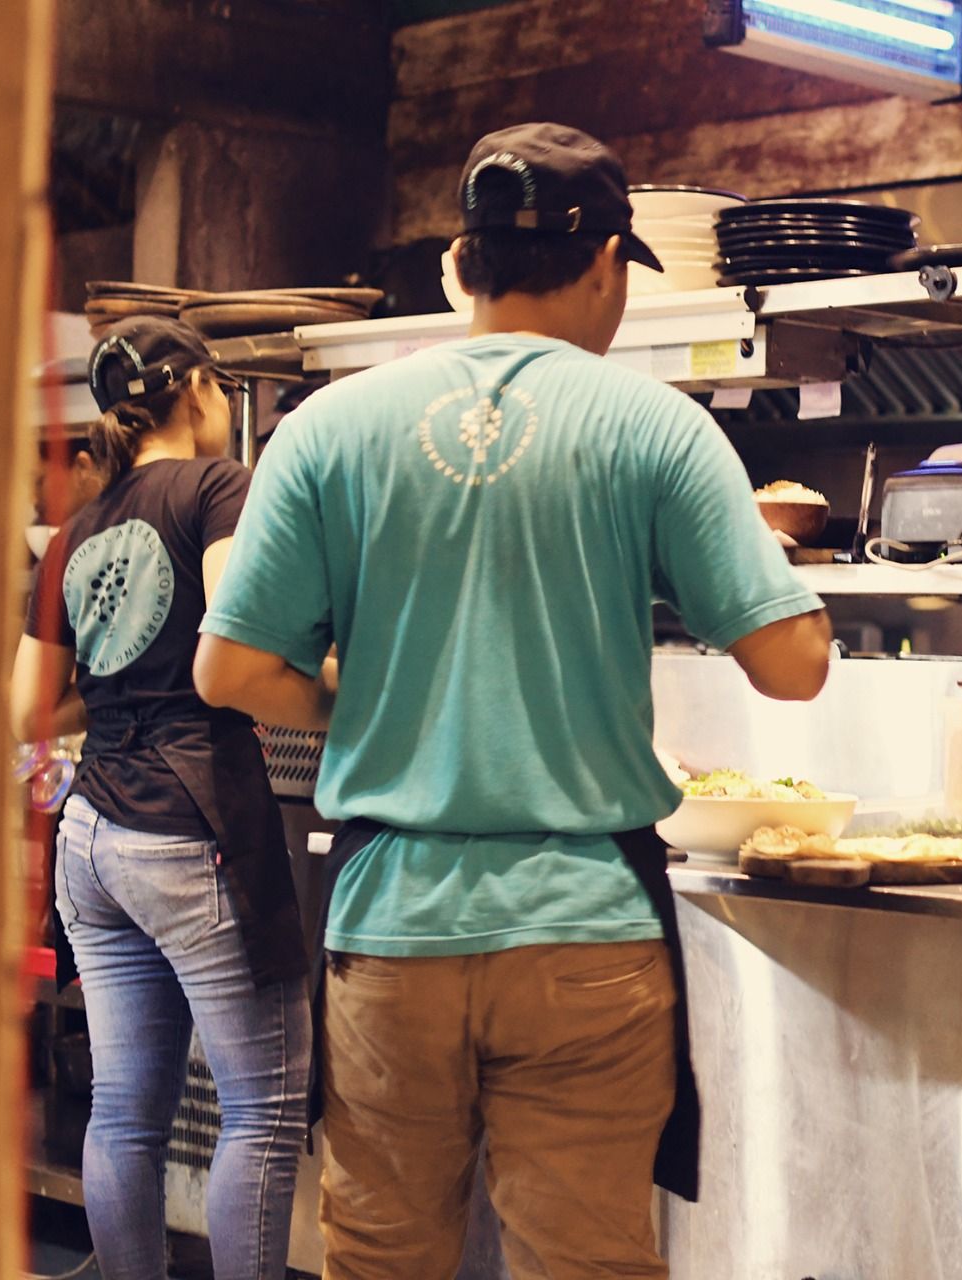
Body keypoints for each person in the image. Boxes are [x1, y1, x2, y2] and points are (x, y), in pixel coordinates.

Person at [193, 122, 831, 1279]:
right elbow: (794, 665)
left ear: (462, 264)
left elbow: (229, 671)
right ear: (608, 265)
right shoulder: (657, 427)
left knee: (380, 1262)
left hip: (390, 930)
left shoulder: (328, 428)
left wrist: (357, 705)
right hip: (586, 930)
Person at [11, 317, 311, 1280]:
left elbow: (25, 708)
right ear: (198, 391)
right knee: (261, 1110)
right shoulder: (219, 488)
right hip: (192, 824)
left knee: (124, 1115)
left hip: (94, 833)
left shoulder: (76, 531)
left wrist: (117, 693)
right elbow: (236, 639)